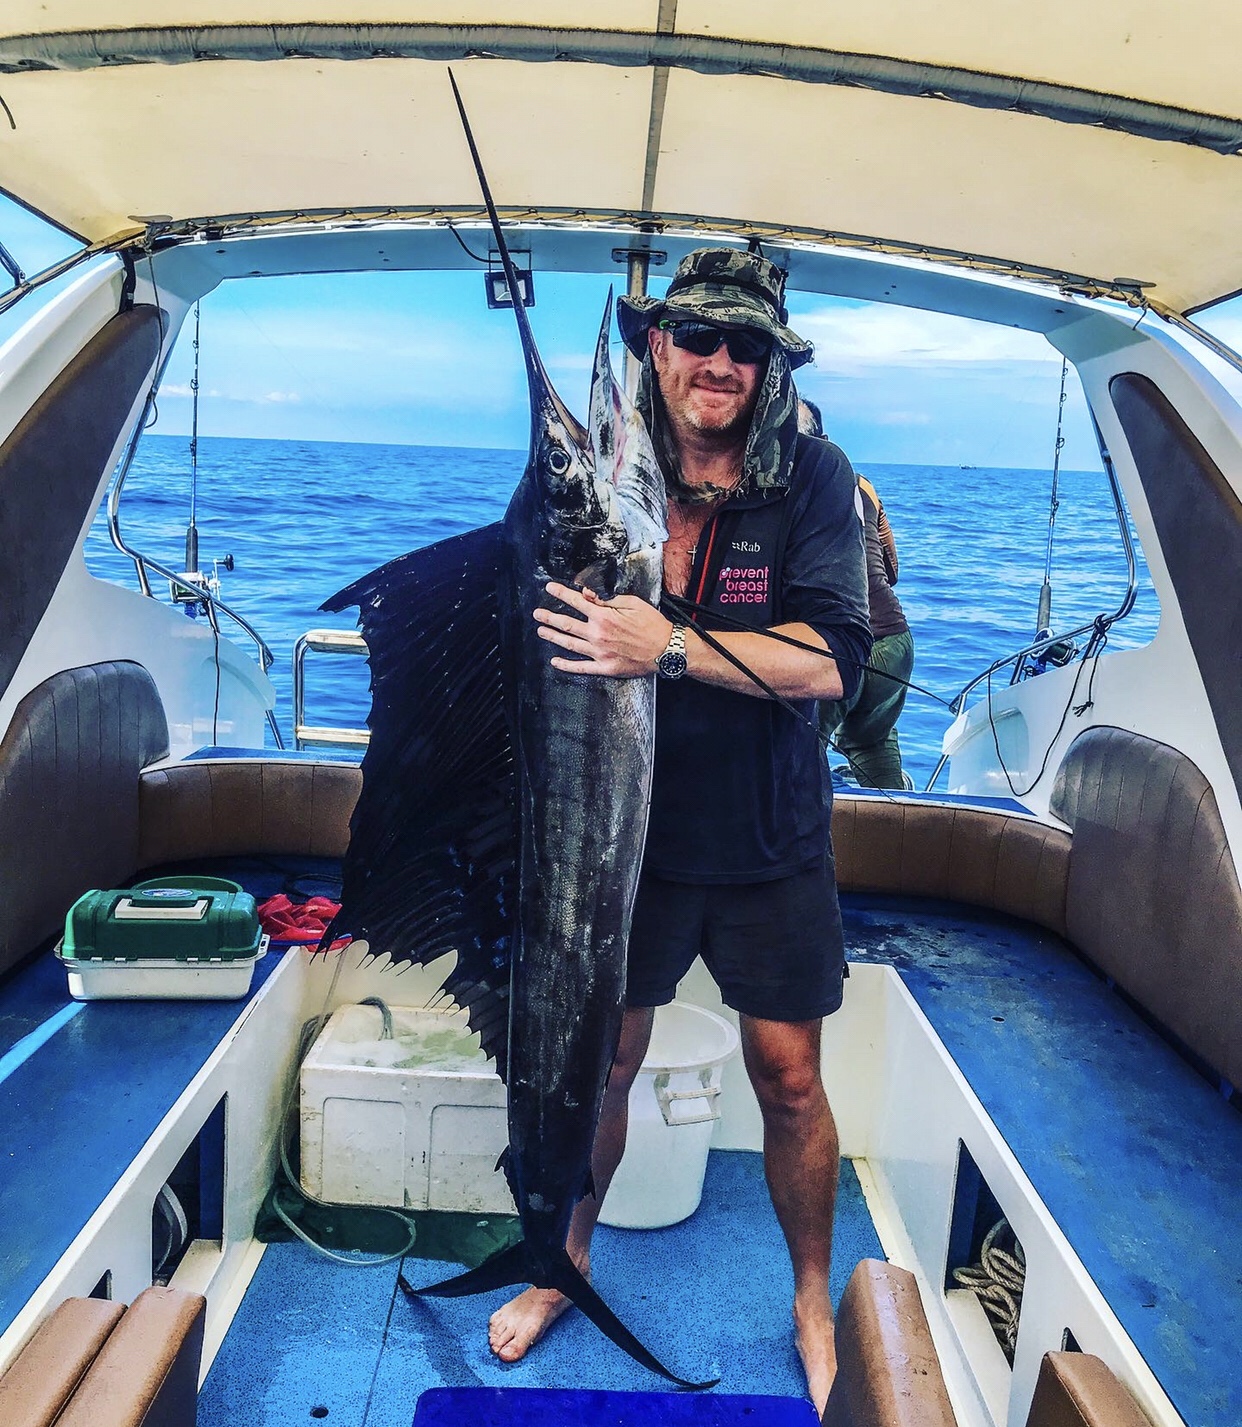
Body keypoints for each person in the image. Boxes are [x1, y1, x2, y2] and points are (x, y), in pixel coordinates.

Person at [489, 248, 872, 1412]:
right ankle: (562, 1260)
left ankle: (811, 1300)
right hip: (620, 844)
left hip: (766, 838)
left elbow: (831, 662)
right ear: (655, 344)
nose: (719, 362)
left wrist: (663, 644)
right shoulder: (611, 475)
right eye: (696, 336)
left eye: (745, 344)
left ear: (770, 364)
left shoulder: (812, 477)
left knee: (789, 1077)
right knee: (603, 1061)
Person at [799, 401, 915, 790]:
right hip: (895, 641)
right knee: (873, 745)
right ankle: (895, 824)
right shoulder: (863, 484)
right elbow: (892, 569)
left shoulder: (789, 484)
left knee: (794, 754)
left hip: (837, 648)